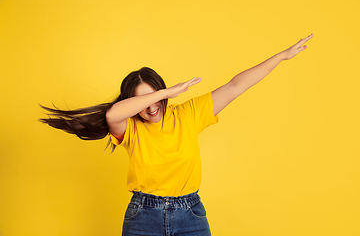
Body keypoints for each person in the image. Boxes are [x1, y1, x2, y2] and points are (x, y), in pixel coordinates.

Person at [40, 34, 313, 235]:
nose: (152, 106)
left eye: (157, 97)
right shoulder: (129, 126)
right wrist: (164, 93)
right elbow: (112, 115)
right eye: (144, 101)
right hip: (142, 215)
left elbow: (236, 86)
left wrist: (281, 56)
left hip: (190, 214)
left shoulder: (188, 114)